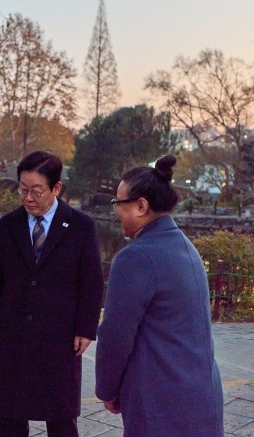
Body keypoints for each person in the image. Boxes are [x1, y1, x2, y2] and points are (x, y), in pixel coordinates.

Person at [0, 151, 104, 437]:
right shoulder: (7, 226)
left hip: (60, 337)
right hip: (15, 336)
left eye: (36, 191)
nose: (28, 198)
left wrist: (86, 329)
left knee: (60, 416)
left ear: (56, 188)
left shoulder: (81, 227)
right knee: (11, 415)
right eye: (23, 189)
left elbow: (92, 283)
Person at [94, 154, 224, 437]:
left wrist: (107, 389)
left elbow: (116, 334)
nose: (115, 211)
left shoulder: (136, 257)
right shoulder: (185, 246)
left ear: (141, 206)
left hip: (159, 396)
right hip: (201, 391)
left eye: (118, 203)